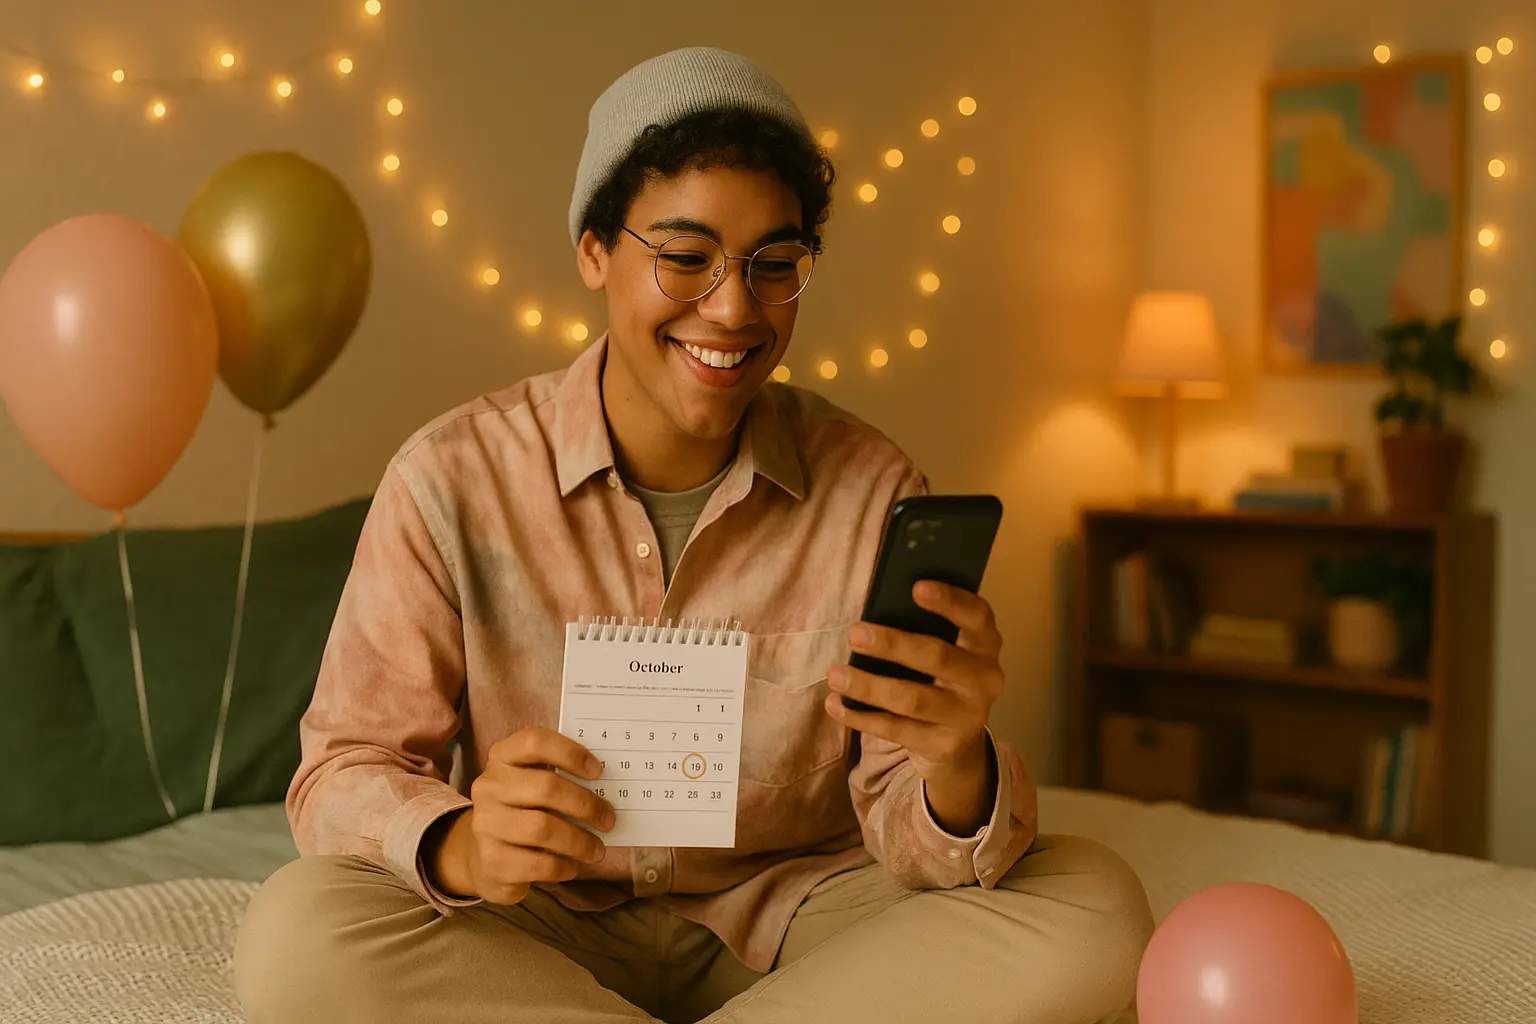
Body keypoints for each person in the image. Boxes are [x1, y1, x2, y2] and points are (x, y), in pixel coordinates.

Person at [234, 45, 1153, 1024]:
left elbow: (910, 832)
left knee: (1096, 908)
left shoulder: (871, 488)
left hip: (798, 922)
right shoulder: (449, 479)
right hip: (539, 925)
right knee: (299, 930)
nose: (733, 308)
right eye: (685, 257)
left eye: (775, 265)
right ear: (594, 251)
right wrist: (460, 842)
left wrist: (955, 763)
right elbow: (342, 767)